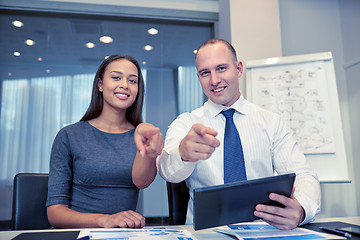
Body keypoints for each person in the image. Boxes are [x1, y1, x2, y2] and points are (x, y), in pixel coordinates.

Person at [156, 39, 321, 230]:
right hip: (207, 234)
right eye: (205, 73)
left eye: (221, 68)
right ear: (198, 77)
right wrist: (183, 152)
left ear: (238, 68)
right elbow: (166, 171)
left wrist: (300, 210)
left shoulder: (271, 122)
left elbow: (303, 175)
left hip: (262, 231)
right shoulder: (186, 123)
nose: (214, 80)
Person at [46, 54, 163, 229]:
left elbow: (142, 182)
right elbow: (55, 214)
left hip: (124, 234)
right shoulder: (69, 135)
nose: (124, 85)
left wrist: (147, 147)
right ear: (100, 84)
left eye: (132, 81)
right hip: (79, 234)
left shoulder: (141, 137)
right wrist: (105, 220)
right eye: (116, 77)